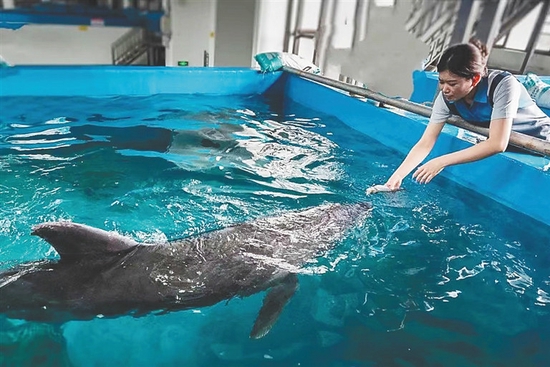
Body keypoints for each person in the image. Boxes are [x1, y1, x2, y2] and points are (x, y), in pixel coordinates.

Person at [385, 40, 550, 190]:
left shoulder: (503, 85)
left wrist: (441, 161)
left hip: (543, 141)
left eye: (452, 83)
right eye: (441, 82)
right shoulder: (446, 99)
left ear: (475, 78)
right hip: (515, 145)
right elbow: (426, 142)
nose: (445, 89)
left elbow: (497, 143)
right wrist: (397, 177)